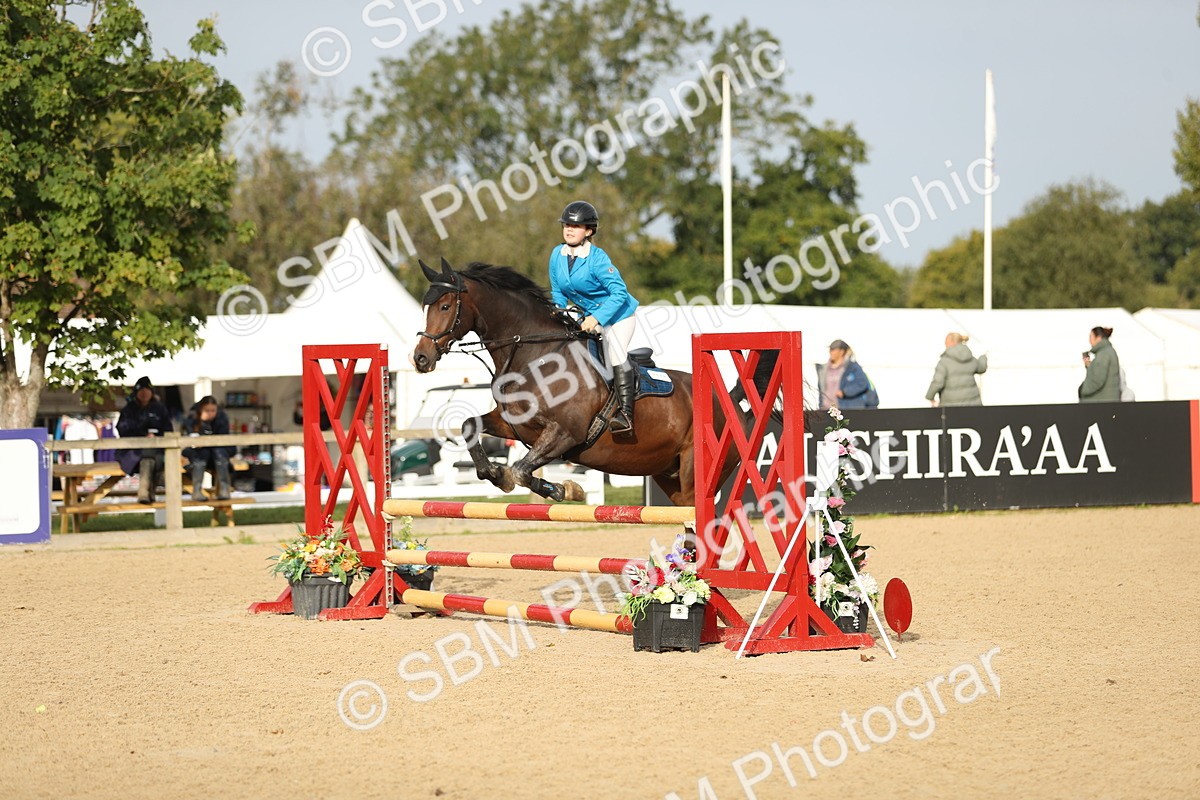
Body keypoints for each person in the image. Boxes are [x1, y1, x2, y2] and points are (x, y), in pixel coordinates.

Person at [548, 200, 641, 433]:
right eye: (566, 225)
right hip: (586, 319)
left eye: (575, 226)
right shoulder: (556, 255)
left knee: (615, 353)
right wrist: (558, 313)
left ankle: (626, 415)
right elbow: (558, 291)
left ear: (589, 231)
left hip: (618, 316)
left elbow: (619, 292)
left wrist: (597, 317)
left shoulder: (597, 258)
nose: (569, 229)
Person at [116, 376, 174, 504]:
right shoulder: (128, 410)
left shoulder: (160, 409)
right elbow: (123, 430)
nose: (144, 394)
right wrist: (142, 436)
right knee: (147, 458)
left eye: (147, 391)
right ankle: (144, 492)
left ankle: (148, 492)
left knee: (157, 459)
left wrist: (157, 436)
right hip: (133, 452)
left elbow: (168, 429)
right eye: (141, 391)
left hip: (157, 449)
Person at [182, 396, 235, 500]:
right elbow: (190, 439)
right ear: (200, 409)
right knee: (202, 453)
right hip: (198, 454)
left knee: (219, 452)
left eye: (213, 410)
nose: (210, 413)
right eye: (207, 410)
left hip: (218, 454)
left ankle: (224, 489)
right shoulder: (192, 418)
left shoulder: (222, 418)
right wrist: (203, 426)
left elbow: (224, 440)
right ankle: (197, 490)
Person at [925, 332, 988, 407]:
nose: (945, 343)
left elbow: (938, 382)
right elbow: (981, 368)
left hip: (951, 407)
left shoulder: (944, 361)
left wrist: (930, 397)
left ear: (952, 342)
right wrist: (983, 357)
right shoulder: (970, 358)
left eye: (946, 341)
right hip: (972, 405)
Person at [816, 340, 879, 410]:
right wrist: (821, 405)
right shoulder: (823, 369)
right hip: (827, 409)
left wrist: (845, 392)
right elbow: (821, 389)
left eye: (833, 349)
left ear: (841, 352)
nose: (831, 352)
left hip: (846, 409)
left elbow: (862, 383)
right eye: (830, 349)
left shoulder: (853, 367)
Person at [1079, 326, 1121, 402]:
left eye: (1091, 336)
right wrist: (1089, 365)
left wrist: (1082, 390)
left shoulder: (1103, 354)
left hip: (1101, 402)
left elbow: (1097, 381)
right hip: (1108, 400)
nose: (1089, 340)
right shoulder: (1107, 352)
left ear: (1098, 337)